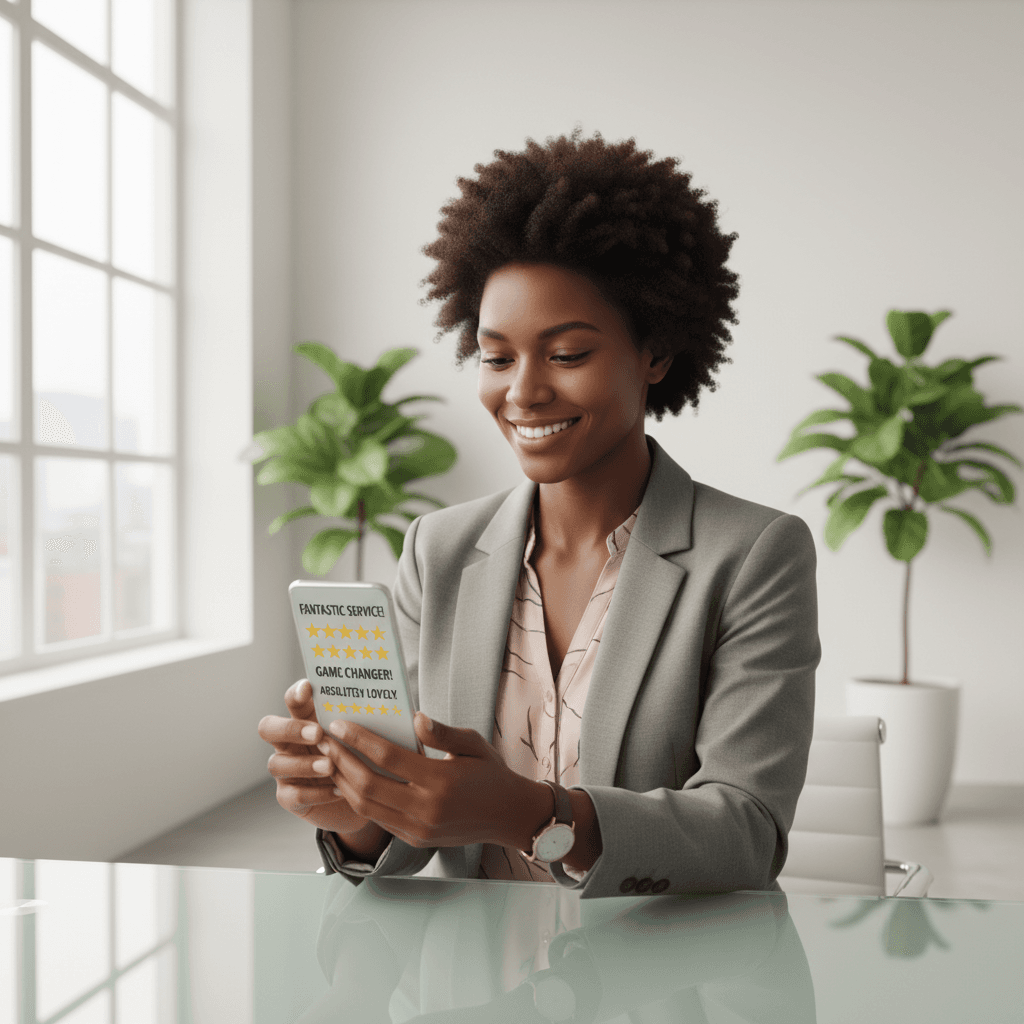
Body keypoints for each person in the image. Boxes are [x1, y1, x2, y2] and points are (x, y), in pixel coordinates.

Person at [258, 127, 820, 898]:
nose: (522, 391)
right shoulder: (440, 550)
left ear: (653, 352)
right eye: (496, 357)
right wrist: (353, 807)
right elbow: (413, 826)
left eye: (567, 354)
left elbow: (747, 831)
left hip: (657, 986)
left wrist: (534, 814)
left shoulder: (753, 554)